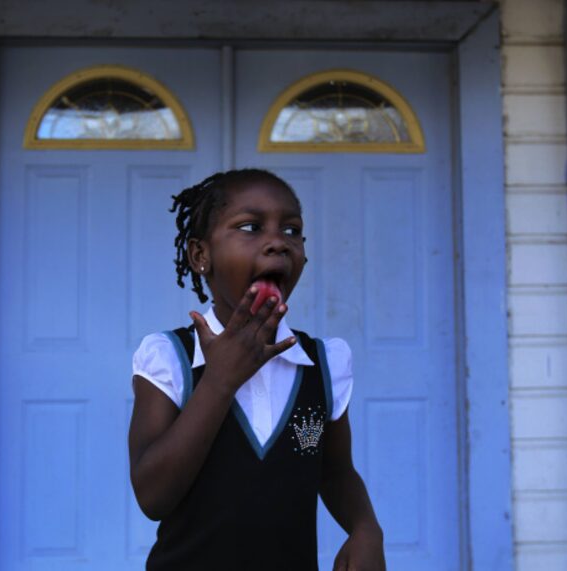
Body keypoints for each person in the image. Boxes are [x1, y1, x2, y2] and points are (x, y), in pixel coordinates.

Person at [128, 169, 386, 570]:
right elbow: (152, 497)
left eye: (291, 230)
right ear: (201, 256)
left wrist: (366, 527)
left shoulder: (322, 364)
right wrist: (219, 380)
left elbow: (334, 471)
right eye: (251, 227)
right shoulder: (170, 357)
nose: (277, 243)